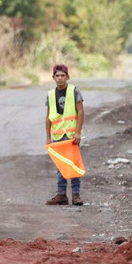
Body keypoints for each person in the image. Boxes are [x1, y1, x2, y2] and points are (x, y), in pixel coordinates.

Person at [45, 63, 85, 206]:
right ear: (53, 77)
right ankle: (61, 195)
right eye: (57, 76)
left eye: (63, 76)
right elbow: (48, 116)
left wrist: (78, 132)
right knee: (60, 165)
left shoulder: (74, 91)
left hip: (71, 136)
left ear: (67, 77)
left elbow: (80, 111)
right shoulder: (50, 94)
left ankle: (76, 195)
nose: (60, 78)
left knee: (73, 164)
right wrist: (48, 138)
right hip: (57, 136)